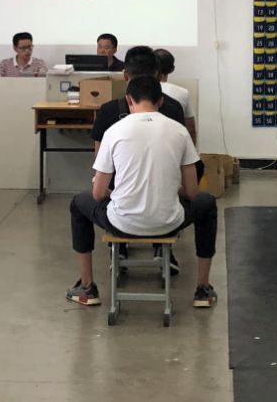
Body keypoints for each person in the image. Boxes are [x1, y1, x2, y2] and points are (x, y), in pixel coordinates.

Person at [67, 75, 218, 309]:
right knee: (207, 204)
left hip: (121, 222)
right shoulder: (179, 131)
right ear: (161, 101)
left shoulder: (114, 131)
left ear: (129, 100)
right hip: (169, 222)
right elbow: (191, 191)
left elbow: (97, 194)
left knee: (79, 203)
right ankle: (203, 289)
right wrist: (169, 190)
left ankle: (87, 287)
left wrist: (115, 193)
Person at [154, 48, 197, 145]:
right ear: (172, 69)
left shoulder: (141, 91)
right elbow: (190, 127)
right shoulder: (183, 93)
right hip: (176, 144)